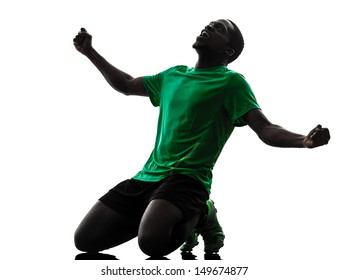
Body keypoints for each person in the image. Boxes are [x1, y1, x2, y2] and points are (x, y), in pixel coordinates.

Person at [73, 19, 330, 259]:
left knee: (151, 243)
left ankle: (202, 213)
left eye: (218, 29)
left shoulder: (231, 82)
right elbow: (127, 84)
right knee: (85, 241)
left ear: (228, 52)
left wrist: (303, 141)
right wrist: (90, 53)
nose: (208, 26)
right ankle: (155, 211)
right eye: (209, 24)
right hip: (147, 176)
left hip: (188, 179)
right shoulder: (172, 75)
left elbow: (265, 128)